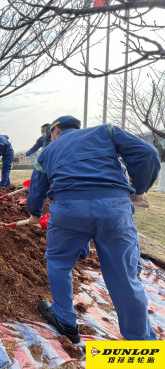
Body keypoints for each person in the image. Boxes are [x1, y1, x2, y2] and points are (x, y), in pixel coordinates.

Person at [26, 116, 160, 343]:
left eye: (50, 134)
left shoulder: (48, 151)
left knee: (58, 262)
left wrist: (35, 212)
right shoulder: (106, 131)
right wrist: (139, 188)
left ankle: (65, 320)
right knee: (124, 275)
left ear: (56, 130)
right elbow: (149, 154)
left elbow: (38, 185)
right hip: (114, 210)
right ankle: (142, 343)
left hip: (68, 210)